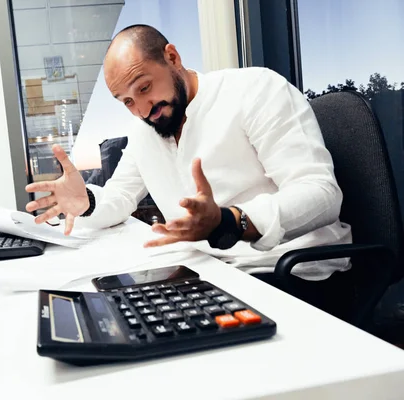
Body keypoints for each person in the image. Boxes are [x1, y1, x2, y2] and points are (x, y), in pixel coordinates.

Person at [25, 24, 352, 281]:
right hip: (211, 272)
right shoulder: (144, 131)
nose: (141, 109)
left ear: (172, 57)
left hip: (288, 271)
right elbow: (121, 196)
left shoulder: (255, 90)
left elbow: (321, 194)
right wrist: (86, 202)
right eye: (126, 101)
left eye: (144, 87)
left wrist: (230, 221)